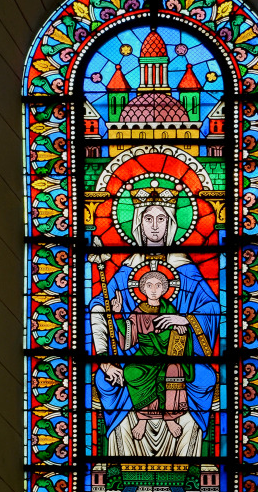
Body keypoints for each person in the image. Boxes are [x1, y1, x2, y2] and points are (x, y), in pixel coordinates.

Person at [90, 181, 220, 457]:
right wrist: (104, 360)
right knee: (106, 382)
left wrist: (185, 320)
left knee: (206, 378)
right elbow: (98, 308)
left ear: (171, 223)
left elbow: (211, 306)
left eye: (162, 219)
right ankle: (122, 471)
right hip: (137, 354)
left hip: (181, 352)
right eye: (148, 218)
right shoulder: (125, 270)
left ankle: (188, 468)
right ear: (138, 223)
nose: (155, 226)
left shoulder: (186, 268)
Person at [111, 270, 193, 441]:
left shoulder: (169, 309)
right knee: (131, 372)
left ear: (164, 289)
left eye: (158, 285)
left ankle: (170, 417)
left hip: (168, 354)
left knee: (173, 370)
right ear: (142, 289)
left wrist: (180, 329)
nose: (154, 289)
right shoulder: (138, 310)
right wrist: (117, 314)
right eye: (149, 285)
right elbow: (129, 340)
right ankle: (143, 418)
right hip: (144, 355)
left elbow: (179, 332)